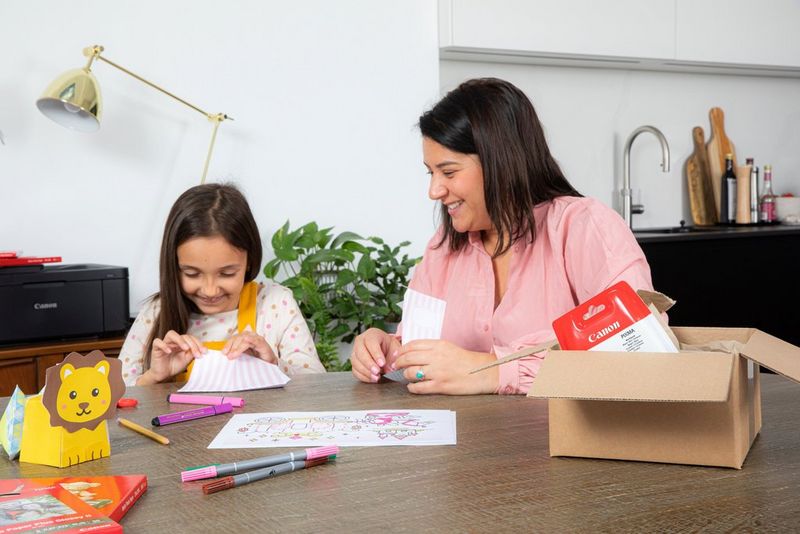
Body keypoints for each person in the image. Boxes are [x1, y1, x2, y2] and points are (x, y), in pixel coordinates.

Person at [350, 78, 655, 395]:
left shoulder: (583, 228)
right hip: (469, 440)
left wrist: (492, 373)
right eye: (431, 172)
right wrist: (390, 350)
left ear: (500, 161)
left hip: (567, 440)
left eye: (449, 172)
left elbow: (640, 348)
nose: (434, 190)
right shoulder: (443, 248)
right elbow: (423, 353)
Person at [120, 183, 325, 386]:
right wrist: (153, 377)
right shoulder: (155, 313)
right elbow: (111, 398)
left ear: (249, 261)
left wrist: (272, 365)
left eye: (226, 273)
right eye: (192, 273)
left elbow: (317, 387)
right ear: (174, 265)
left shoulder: (276, 304)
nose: (210, 290)